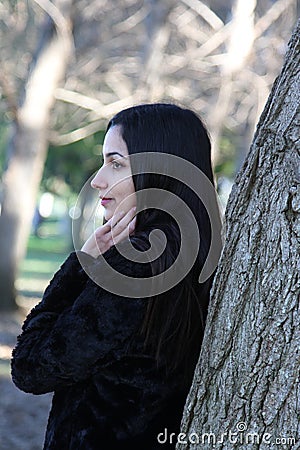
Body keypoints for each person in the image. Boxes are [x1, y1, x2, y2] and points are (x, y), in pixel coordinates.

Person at [11, 103, 223, 449]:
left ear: (159, 170)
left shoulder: (134, 267)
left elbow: (30, 367)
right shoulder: (200, 256)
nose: (97, 180)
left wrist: (81, 264)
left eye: (116, 163)